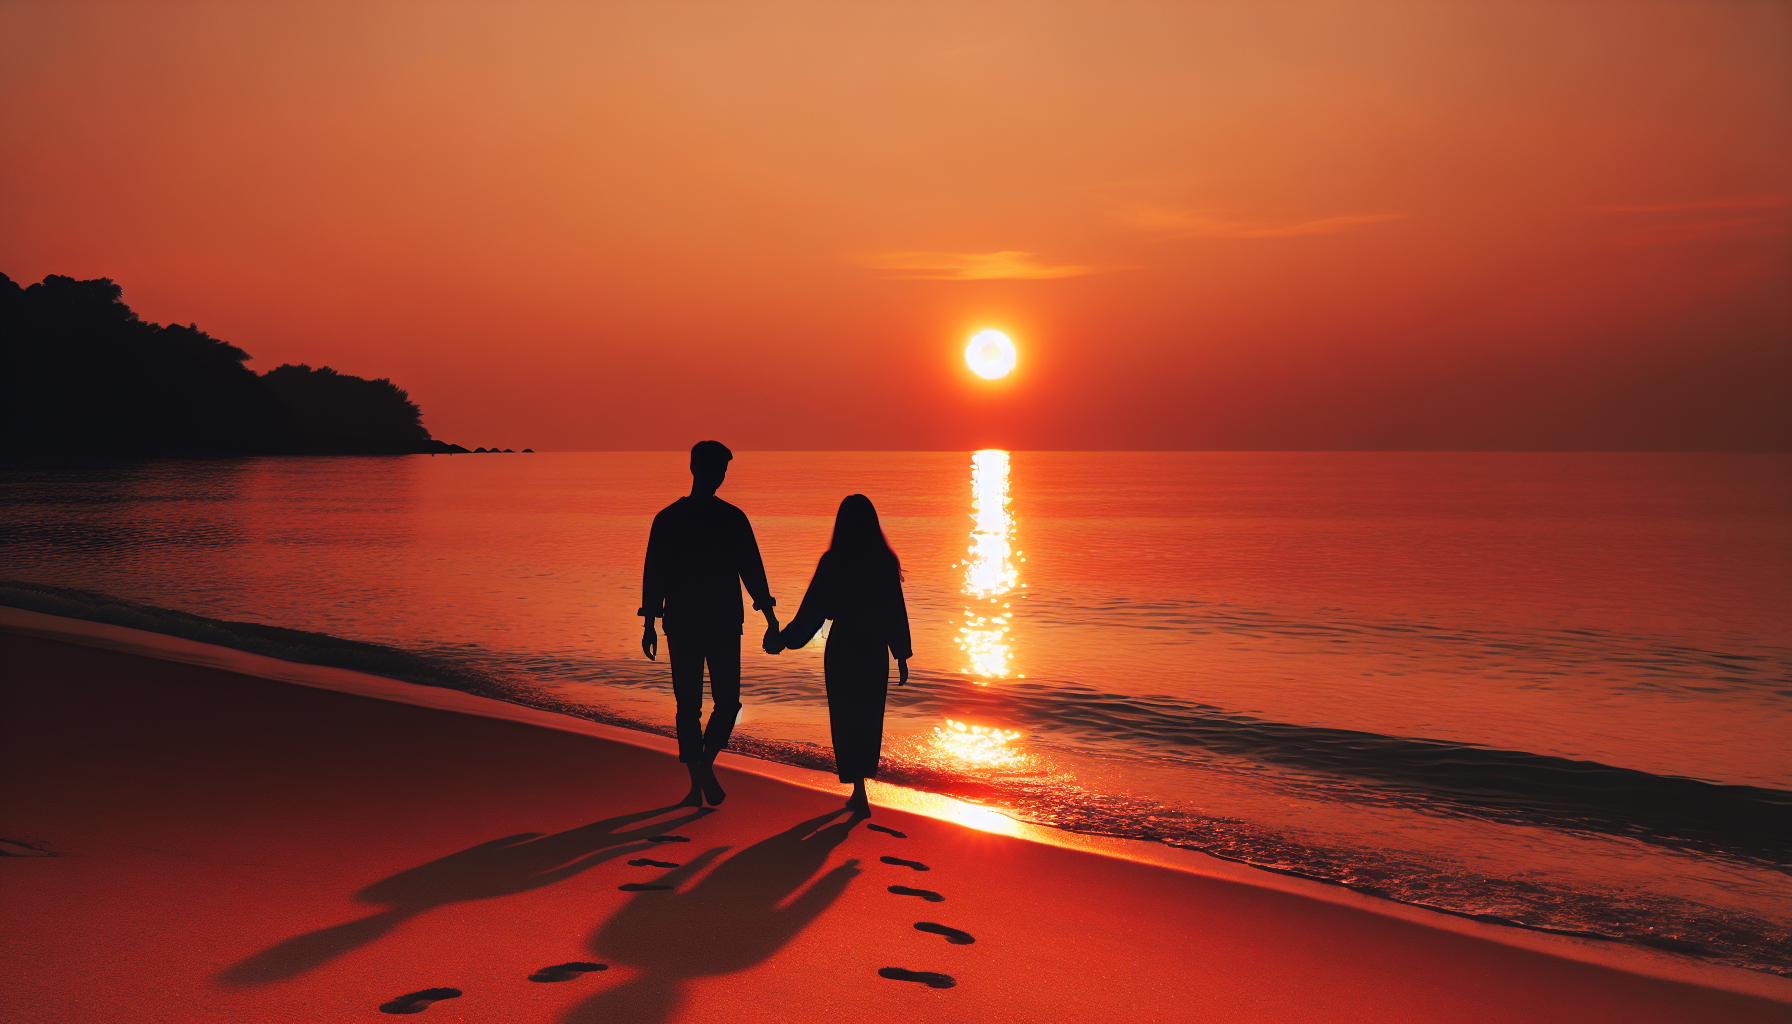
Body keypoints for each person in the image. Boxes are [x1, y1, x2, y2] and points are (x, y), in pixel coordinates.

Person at [639, 441, 780, 807]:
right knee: (690, 704)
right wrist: (649, 622)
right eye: (717, 469)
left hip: (715, 622)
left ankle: (701, 769)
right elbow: (655, 572)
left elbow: (752, 571)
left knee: (726, 702)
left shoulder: (726, 517)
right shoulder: (673, 518)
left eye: (723, 471)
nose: (720, 476)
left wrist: (770, 615)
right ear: (697, 469)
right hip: (694, 621)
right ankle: (697, 778)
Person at [773, 494, 911, 817]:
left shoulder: (834, 561)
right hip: (874, 650)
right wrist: (900, 654)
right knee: (868, 718)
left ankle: (859, 791)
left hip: (845, 647)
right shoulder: (884, 562)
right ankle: (861, 790)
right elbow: (895, 611)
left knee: (846, 718)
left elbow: (812, 612)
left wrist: (785, 639)